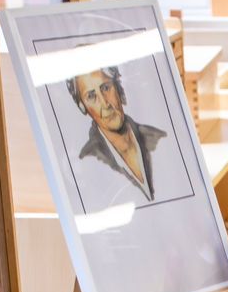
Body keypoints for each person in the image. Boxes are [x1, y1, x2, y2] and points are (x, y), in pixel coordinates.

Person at [69, 64, 166, 207]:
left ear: (117, 86)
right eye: (91, 96)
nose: (104, 103)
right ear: (83, 107)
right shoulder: (87, 165)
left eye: (106, 88)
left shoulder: (160, 139)